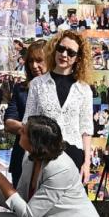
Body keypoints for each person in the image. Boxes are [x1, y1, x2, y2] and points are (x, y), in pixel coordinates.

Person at [23, 30, 93, 180]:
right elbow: (28, 123)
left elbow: (86, 129)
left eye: (71, 52)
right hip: (42, 155)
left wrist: (87, 163)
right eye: (61, 49)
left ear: (78, 58)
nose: (64, 55)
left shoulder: (84, 89)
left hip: (74, 156)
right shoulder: (37, 84)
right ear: (55, 50)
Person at [4, 41, 48, 186]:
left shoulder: (61, 90)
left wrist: (25, 128)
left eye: (39, 60)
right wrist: (37, 131)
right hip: (21, 158)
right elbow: (9, 123)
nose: (34, 66)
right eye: (30, 61)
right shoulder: (21, 89)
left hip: (51, 160)